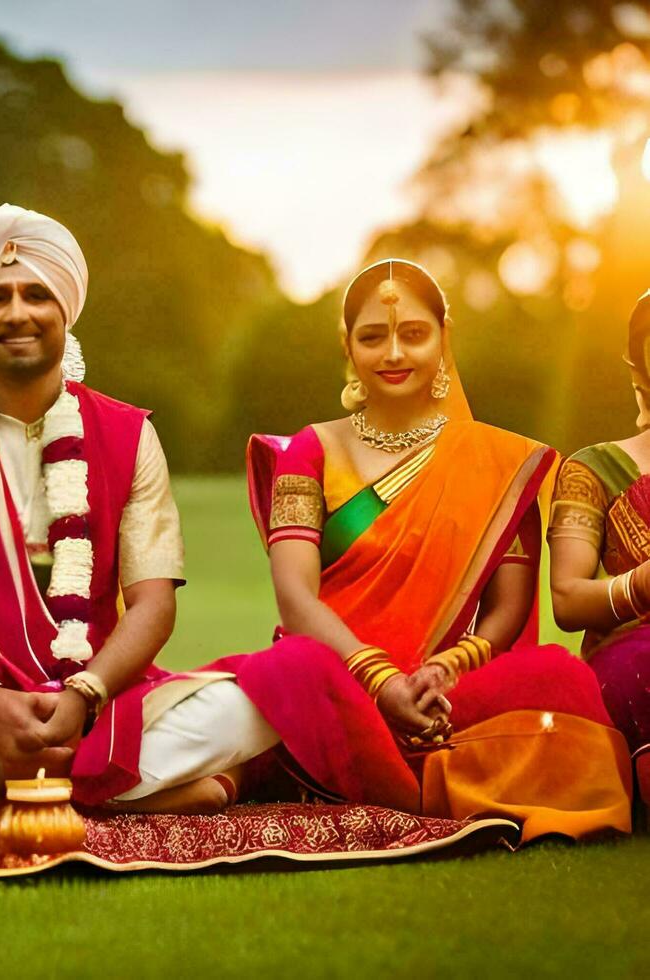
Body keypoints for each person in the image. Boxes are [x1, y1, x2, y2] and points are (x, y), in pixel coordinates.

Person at [0, 204, 279, 811]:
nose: (17, 313)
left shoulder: (128, 435)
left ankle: (23, 788)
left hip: (102, 701)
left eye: (36, 295)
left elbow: (153, 603)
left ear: (65, 312)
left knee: (255, 706)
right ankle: (117, 791)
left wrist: (85, 695)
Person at [226, 257, 629, 840]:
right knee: (290, 664)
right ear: (348, 346)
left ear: (444, 339)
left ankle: (367, 775)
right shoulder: (310, 451)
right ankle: (438, 782)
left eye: (413, 334)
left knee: (556, 676)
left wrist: (443, 670)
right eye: (373, 337)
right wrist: (380, 680)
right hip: (335, 679)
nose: (394, 354)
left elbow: (505, 612)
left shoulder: (499, 464)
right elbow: (295, 597)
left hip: (443, 696)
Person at [547, 289, 650, 773]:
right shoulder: (592, 469)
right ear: (641, 367)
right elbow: (567, 600)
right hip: (634, 656)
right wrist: (642, 584)